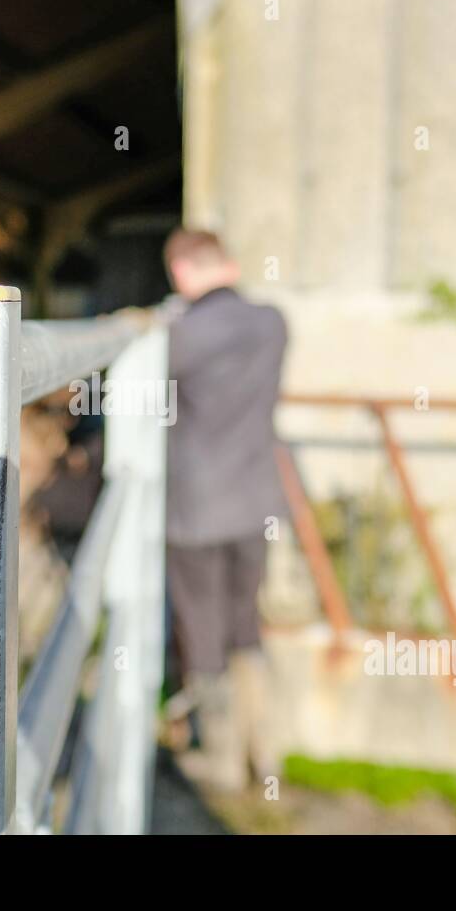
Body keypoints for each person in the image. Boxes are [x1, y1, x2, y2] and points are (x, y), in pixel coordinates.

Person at [162, 228, 288, 792]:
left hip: (194, 510)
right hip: (256, 502)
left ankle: (220, 760)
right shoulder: (273, 323)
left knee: (201, 627)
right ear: (230, 266)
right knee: (246, 623)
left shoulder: (181, 335)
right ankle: (266, 752)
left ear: (182, 273)